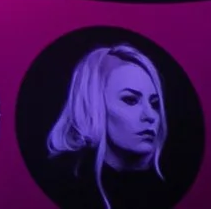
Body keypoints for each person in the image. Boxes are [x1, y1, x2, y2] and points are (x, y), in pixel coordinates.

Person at [42, 43, 176, 209]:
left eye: (155, 104)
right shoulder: (61, 183)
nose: (150, 116)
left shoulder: (165, 188)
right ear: (93, 105)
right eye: (130, 100)